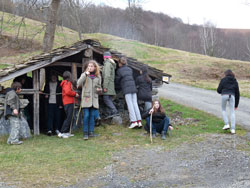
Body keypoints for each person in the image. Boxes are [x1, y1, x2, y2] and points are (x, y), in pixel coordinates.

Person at [77, 60, 102, 140]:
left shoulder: (98, 76)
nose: (90, 68)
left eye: (91, 66)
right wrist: (85, 74)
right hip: (86, 99)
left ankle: (91, 132)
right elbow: (78, 84)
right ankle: (85, 133)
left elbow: (99, 87)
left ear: (95, 67)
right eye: (88, 66)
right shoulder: (84, 75)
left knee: (92, 116)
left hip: (94, 99)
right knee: (86, 116)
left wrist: (99, 89)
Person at [115, 57, 142, 129]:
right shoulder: (130, 69)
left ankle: (133, 122)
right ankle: (139, 121)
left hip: (127, 89)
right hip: (133, 88)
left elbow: (117, 80)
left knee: (130, 105)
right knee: (135, 104)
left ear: (120, 63)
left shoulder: (119, 71)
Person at [217, 69, 240, 134]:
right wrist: (236, 105)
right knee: (232, 112)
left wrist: (224, 91)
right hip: (232, 96)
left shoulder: (223, 80)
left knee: (223, 109)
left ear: (225, 74)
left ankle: (226, 124)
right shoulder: (235, 81)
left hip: (224, 95)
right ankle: (233, 129)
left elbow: (218, 90)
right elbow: (237, 93)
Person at [59, 71, 79, 138]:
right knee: (69, 117)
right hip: (69, 102)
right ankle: (63, 132)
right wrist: (75, 94)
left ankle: (66, 132)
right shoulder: (67, 83)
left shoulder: (65, 83)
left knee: (69, 117)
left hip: (67, 102)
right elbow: (68, 92)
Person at [102, 51, 119, 118]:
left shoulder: (107, 64)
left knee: (106, 99)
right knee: (108, 99)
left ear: (105, 57)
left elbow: (107, 76)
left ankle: (114, 111)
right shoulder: (111, 64)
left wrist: (105, 86)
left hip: (108, 85)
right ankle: (112, 112)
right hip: (111, 85)